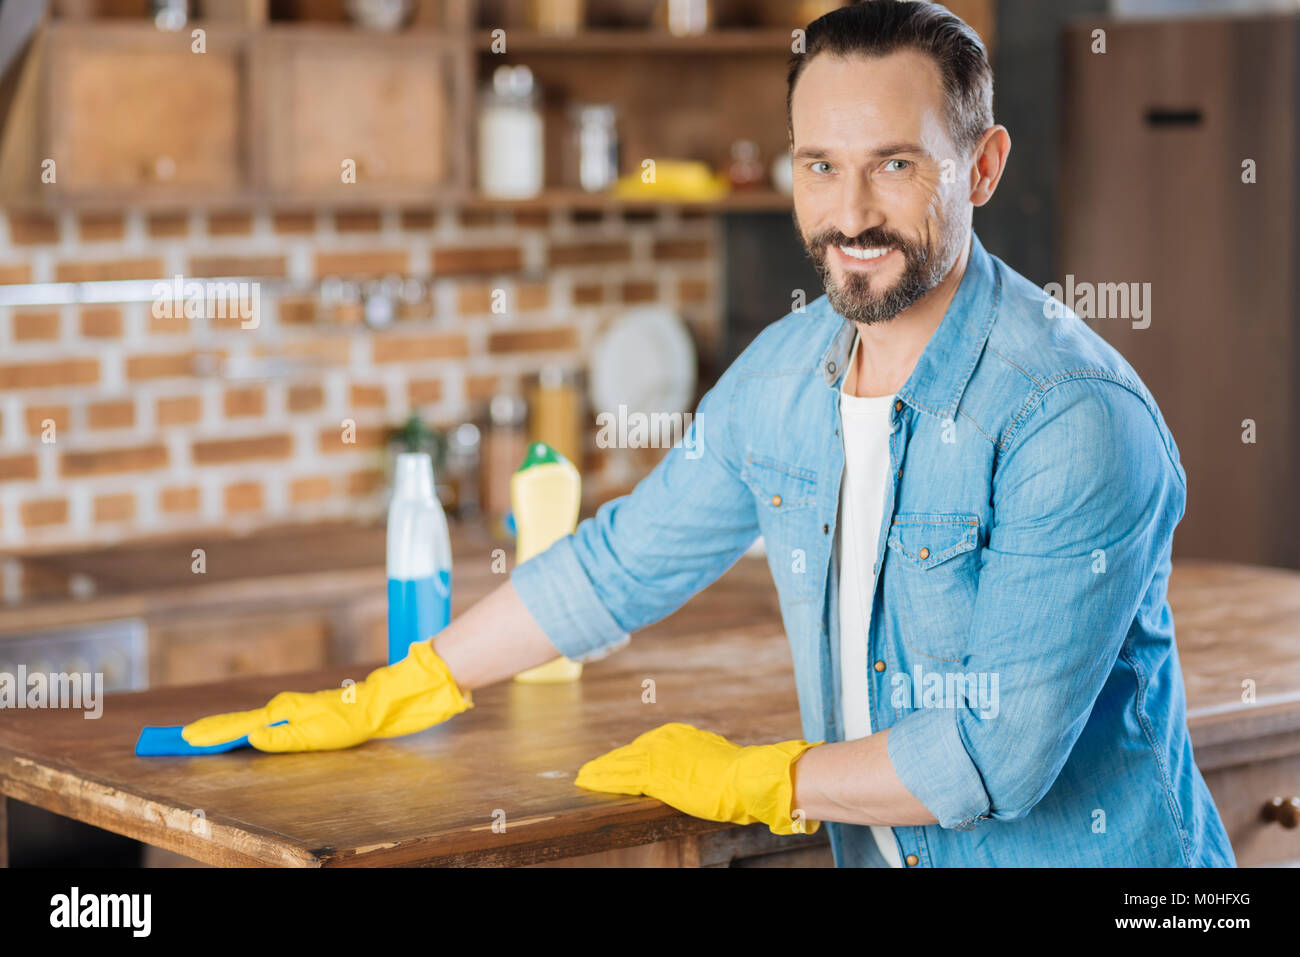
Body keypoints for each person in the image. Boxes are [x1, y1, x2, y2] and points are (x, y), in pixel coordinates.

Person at [185, 0, 1235, 867]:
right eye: (819, 165)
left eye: (896, 166)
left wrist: (759, 778)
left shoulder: (1071, 419)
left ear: (984, 165)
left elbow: (992, 759)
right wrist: (408, 683)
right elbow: (618, 564)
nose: (851, 212)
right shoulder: (781, 377)